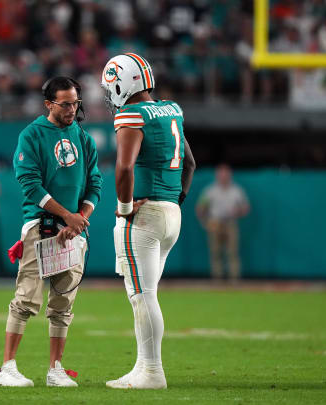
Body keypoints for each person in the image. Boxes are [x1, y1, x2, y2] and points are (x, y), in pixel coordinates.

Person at [0, 76, 102, 388]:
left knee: (63, 304)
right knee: (26, 298)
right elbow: (29, 183)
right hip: (40, 227)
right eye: (65, 103)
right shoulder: (32, 135)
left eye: (75, 103)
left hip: (72, 231)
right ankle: (7, 367)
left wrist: (80, 218)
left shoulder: (83, 137)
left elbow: (96, 183)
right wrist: (67, 216)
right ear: (48, 104)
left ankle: (56, 368)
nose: (71, 109)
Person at [101, 53, 196, 389]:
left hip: (144, 217)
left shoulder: (132, 113)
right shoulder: (171, 109)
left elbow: (124, 168)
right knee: (148, 292)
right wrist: (175, 200)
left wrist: (126, 208)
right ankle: (143, 368)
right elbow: (190, 163)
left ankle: (153, 372)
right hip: (172, 213)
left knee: (142, 296)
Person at [196, 164, 250, 281]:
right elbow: (200, 207)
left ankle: (234, 281)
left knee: (232, 252)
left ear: (230, 175)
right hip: (215, 223)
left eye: (226, 174)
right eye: (221, 174)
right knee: (216, 253)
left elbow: (246, 208)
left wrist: (238, 211)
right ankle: (217, 280)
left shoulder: (237, 190)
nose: (223, 177)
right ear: (217, 175)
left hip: (230, 223)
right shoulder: (210, 190)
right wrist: (205, 222)